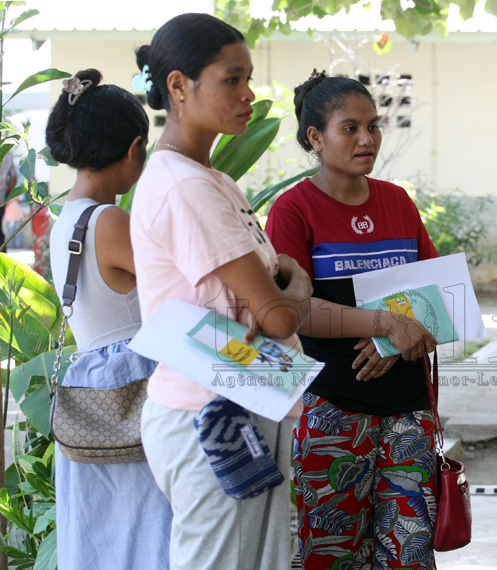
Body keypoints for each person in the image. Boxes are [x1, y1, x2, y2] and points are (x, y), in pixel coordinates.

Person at [129, 14, 312, 570]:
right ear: (178, 86)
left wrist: (278, 293)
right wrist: (297, 286)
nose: (248, 94)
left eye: (248, 78)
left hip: (247, 392)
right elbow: (279, 316)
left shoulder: (213, 180)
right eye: (232, 79)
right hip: (212, 413)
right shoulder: (185, 186)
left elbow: (267, 297)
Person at [265, 70, 439, 570]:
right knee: (333, 554)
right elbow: (292, 311)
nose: (367, 139)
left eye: (373, 126)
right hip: (331, 409)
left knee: (408, 552)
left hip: (408, 408)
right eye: (350, 128)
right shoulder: (293, 210)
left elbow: (438, 297)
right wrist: (382, 325)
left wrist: (391, 341)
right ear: (316, 138)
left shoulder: (397, 202)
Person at [47, 68, 172, 570]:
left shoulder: (65, 220)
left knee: (106, 535)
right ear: (134, 149)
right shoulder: (109, 220)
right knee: (149, 530)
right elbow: (186, 287)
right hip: (132, 390)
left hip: (93, 391)